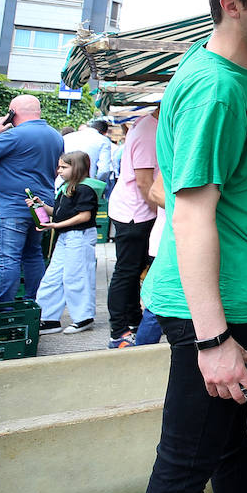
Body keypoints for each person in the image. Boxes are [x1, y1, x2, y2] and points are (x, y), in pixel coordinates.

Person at [135, 0, 247, 493]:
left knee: (234, 458)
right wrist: (213, 340)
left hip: (241, 297)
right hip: (212, 309)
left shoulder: (245, 80)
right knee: (182, 470)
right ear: (231, 5)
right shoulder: (215, 89)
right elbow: (190, 216)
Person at [0, 95, 63, 302]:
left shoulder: (13, 135)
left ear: (12, 113)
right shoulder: (55, 136)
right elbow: (56, 170)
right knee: (33, 254)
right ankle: (33, 303)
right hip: (41, 206)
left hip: (11, 206)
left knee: (7, 260)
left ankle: (3, 308)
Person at [106, 107, 158, 348]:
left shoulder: (145, 124)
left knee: (132, 268)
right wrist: (162, 214)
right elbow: (144, 181)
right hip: (135, 213)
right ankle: (119, 330)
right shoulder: (149, 130)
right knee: (127, 271)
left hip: (133, 210)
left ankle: (133, 322)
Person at [31, 150, 100, 334]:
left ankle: (83, 317)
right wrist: (41, 206)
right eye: (59, 166)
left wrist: (56, 225)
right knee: (53, 276)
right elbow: (59, 211)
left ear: (76, 168)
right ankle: (48, 318)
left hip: (79, 236)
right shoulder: (67, 186)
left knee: (76, 277)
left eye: (64, 167)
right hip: (66, 236)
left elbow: (84, 216)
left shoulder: (85, 188)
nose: (59, 170)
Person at [65, 118, 115, 186]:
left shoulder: (67, 137)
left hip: (63, 182)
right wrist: (96, 183)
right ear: (104, 133)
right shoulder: (103, 140)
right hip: (86, 184)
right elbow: (104, 170)